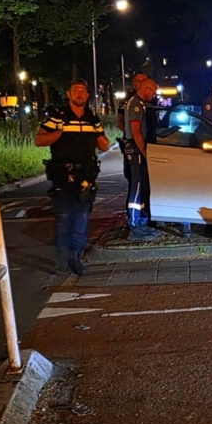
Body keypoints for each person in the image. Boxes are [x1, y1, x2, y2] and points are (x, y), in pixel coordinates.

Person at [34, 79, 110, 275]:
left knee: (82, 215)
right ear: (68, 94)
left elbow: (104, 145)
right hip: (63, 174)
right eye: (76, 90)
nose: (80, 94)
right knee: (65, 216)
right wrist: (59, 133)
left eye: (83, 91)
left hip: (86, 175)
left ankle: (76, 257)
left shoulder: (92, 118)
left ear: (88, 95)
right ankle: (61, 259)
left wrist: (99, 137)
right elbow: (39, 139)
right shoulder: (58, 116)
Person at [122, 77, 160, 240]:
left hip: (136, 147)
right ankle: (134, 223)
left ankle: (140, 222)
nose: (153, 95)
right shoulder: (136, 104)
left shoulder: (139, 103)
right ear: (146, 89)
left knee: (141, 185)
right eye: (153, 92)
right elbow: (136, 131)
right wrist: (144, 153)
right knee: (136, 187)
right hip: (135, 148)